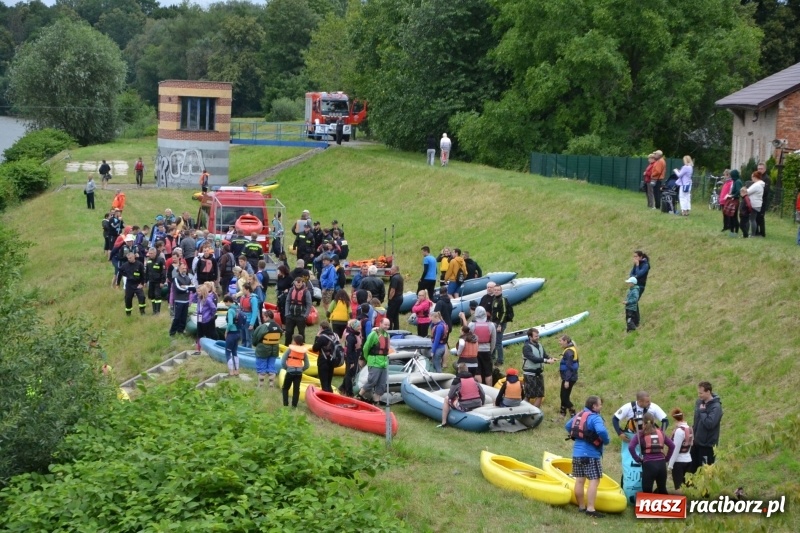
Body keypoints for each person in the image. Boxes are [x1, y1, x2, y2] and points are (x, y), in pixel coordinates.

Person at [565, 395, 610, 518]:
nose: (601, 406)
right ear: (594, 406)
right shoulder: (595, 418)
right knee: (594, 481)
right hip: (591, 455)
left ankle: (581, 507)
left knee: (579, 481)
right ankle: (590, 509)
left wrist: (577, 435)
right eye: (600, 404)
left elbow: (568, 426)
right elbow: (601, 431)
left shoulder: (579, 415)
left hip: (577, 454)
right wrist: (606, 441)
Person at [629, 413, 675, 495]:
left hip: (649, 465)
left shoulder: (641, 434)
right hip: (661, 465)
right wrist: (666, 459)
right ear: (654, 422)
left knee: (647, 492)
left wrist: (638, 459)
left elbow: (631, 447)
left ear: (643, 423)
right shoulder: (661, 432)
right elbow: (672, 445)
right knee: (662, 489)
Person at [438, 363, 485, 427]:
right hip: (478, 403)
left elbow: (450, 395)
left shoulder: (457, 380)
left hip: (464, 406)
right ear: (467, 370)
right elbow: (482, 393)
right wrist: (482, 402)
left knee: (446, 399)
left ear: (458, 370)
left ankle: (444, 422)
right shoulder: (474, 379)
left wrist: (456, 397)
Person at [690, 381, 723, 470]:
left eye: (701, 393)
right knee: (692, 470)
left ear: (708, 392)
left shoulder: (716, 407)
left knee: (705, 471)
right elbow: (696, 421)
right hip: (696, 443)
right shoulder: (699, 403)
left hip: (707, 446)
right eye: (698, 393)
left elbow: (710, 424)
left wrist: (703, 412)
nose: (699, 395)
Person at [358, 318, 391, 404]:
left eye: (388, 325)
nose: (387, 326)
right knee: (372, 381)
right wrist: (367, 358)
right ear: (380, 323)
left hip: (384, 363)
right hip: (374, 361)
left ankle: (376, 401)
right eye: (385, 324)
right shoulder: (374, 334)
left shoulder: (387, 335)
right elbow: (366, 347)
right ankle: (359, 395)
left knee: (382, 384)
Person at [460, 306, 496, 386]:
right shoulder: (491, 325)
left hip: (475, 352)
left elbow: (467, 336)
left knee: (477, 372)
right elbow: (493, 340)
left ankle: (480, 388)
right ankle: (490, 388)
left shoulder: (472, 324)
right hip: (487, 350)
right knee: (488, 372)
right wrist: (491, 350)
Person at [521, 328, 556, 408]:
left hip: (539, 373)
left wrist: (550, 358)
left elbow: (544, 355)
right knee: (528, 395)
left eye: (538, 335)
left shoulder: (539, 345)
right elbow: (533, 359)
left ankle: (535, 412)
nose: (538, 337)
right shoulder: (526, 347)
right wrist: (546, 361)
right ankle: (523, 410)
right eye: (536, 336)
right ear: (530, 337)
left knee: (540, 394)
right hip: (529, 375)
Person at [252, 310, 283, 388]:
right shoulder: (278, 326)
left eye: (264, 317)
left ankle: (260, 385)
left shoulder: (263, 327)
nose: (263, 318)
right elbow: (280, 335)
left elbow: (255, 337)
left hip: (263, 350)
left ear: (267, 317)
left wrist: (256, 344)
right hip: (275, 349)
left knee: (261, 366)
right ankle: (271, 386)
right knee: (271, 366)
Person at [667, 408, 694, 491]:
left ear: (675, 419)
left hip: (679, 462)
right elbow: (691, 444)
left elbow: (676, 449)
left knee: (679, 488)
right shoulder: (690, 429)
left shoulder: (679, 431)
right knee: (688, 487)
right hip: (688, 460)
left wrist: (670, 465)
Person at [280, 335, 310, 407]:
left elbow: (283, 361)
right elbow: (307, 365)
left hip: (290, 371)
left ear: (295, 342)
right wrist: (301, 369)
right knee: (296, 389)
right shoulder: (303, 351)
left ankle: (285, 404)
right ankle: (294, 405)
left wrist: (287, 368)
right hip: (299, 372)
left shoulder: (290, 349)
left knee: (285, 388)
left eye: (293, 340)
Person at [312, 321, 339, 393]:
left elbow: (315, 349)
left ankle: (325, 400)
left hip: (323, 361)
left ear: (321, 328)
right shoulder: (335, 336)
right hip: (332, 361)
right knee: (329, 382)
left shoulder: (322, 337)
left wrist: (317, 337)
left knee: (324, 383)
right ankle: (331, 397)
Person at [117, 251, 146, 316]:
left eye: (130, 258)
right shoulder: (125, 265)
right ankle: (128, 313)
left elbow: (143, 275)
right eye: (128, 258)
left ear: (134, 257)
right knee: (128, 299)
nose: (129, 259)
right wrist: (118, 283)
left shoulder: (139, 264)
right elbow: (120, 272)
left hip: (137, 284)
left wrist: (142, 283)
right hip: (129, 284)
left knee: (142, 297)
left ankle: (142, 311)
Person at [490, 284, 513, 366]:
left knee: (498, 342)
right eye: (495, 290)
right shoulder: (494, 299)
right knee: (493, 340)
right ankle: (492, 357)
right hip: (493, 323)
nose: (496, 291)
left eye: (498, 290)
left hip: (500, 323)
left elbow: (504, 312)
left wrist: (500, 324)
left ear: (501, 291)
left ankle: (500, 360)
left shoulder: (502, 299)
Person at [284, 276, 312, 343]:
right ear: (294, 283)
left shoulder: (306, 292)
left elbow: (309, 304)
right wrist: (287, 313)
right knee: (288, 332)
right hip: (290, 315)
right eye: (297, 284)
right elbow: (287, 301)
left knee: (301, 333)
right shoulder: (291, 290)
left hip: (301, 316)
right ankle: (287, 346)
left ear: (302, 283)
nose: (298, 286)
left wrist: (305, 315)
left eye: (299, 285)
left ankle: (301, 347)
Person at [339, 319, 362, 397]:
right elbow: (349, 350)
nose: (360, 327)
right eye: (358, 326)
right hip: (351, 357)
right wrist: (351, 361)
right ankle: (348, 391)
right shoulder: (351, 337)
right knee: (350, 374)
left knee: (348, 373)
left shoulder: (354, 333)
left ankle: (342, 387)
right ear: (354, 326)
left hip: (353, 356)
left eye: (360, 325)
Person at [558, 335, 579, 419]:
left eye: (561, 341)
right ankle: (562, 414)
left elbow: (569, 367)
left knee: (564, 397)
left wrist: (567, 380)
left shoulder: (569, 352)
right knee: (564, 396)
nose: (559, 342)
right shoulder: (571, 349)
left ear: (566, 341)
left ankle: (574, 415)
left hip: (569, 378)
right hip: (570, 377)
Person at [169, 261, 192, 336]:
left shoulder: (188, 278)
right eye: (182, 268)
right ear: (179, 269)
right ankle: (172, 332)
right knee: (177, 317)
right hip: (178, 301)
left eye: (185, 268)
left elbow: (193, 288)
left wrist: (186, 287)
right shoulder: (176, 278)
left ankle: (181, 331)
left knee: (184, 318)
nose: (184, 270)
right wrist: (187, 288)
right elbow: (179, 289)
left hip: (186, 301)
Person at [223, 294, 241, 376]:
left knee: (228, 352)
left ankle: (231, 371)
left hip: (231, 334)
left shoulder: (230, 310)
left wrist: (226, 332)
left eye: (225, 303)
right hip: (238, 333)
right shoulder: (237, 308)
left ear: (228, 302)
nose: (225, 305)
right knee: (235, 352)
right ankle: (237, 370)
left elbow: (230, 323)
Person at [145, 247, 166, 315]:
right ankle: (154, 311)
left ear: (155, 253)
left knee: (157, 296)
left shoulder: (160, 260)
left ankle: (158, 311)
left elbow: (163, 272)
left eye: (151, 253)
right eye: (149, 253)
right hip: (151, 281)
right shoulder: (149, 261)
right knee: (152, 296)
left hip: (158, 282)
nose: (150, 255)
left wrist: (162, 282)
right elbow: (147, 272)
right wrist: (145, 281)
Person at [722, 169, 742, 236]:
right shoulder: (735, 181)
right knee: (731, 216)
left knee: (733, 216)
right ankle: (732, 231)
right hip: (733, 199)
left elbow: (738, 191)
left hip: (735, 201)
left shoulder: (738, 182)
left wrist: (732, 195)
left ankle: (735, 231)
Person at [746, 171, 765, 238]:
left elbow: (747, 192)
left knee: (751, 219)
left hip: (753, 204)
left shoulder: (756, 185)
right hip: (757, 204)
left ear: (755, 177)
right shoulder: (760, 184)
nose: (751, 178)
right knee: (753, 219)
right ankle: (753, 233)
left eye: (752, 177)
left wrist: (744, 189)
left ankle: (752, 234)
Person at [386, 265, 404, 330]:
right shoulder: (400, 277)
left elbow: (393, 290)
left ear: (394, 270)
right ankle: (396, 328)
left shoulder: (395, 278)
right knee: (396, 315)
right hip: (400, 297)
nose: (390, 271)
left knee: (389, 315)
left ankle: (389, 329)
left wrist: (390, 299)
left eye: (391, 269)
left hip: (395, 298)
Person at [756, 162, 770, 237]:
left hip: (762, 201)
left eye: (761, 169)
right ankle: (756, 231)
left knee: (760, 217)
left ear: (765, 169)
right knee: (756, 216)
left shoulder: (766, 179)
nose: (759, 170)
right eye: (758, 168)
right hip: (756, 200)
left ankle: (762, 233)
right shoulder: (757, 177)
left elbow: (766, 191)